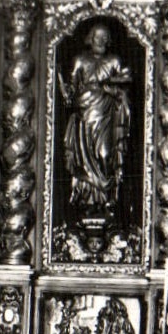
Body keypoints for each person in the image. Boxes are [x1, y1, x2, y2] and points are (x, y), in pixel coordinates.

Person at [60, 23, 132, 214]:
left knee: (105, 154)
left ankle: (107, 197)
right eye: (97, 37)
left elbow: (126, 82)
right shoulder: (80, 60)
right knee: (84, 157)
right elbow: (72, 87)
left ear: (108, 40)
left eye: (104, 37)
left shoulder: (114, 61)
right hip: (85, 114)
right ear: (90, 39)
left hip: (106, 115)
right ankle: (89, 200)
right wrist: (70, 95)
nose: (100, 41)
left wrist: (111, 86)